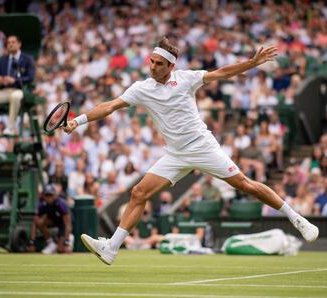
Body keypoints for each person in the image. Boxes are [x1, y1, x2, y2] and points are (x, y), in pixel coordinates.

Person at [64, 37, 319, 265]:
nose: (152, 67)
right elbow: (109, 106)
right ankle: (111, 248)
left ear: (170, 66)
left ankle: (297, 219)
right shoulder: (141, 89)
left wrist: (252, 63)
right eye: (151, 62)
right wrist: (79, 120)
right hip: (175, 154)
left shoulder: (186, 79)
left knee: (245, 185)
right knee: (138, 192)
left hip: (202, 147)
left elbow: (223, 73)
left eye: (159, 64)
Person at [0, 35, 35, 135]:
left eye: (13, 42)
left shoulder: (27, 59)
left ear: (19, 44)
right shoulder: (3, 60)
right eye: (8, 42)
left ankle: (11, 128)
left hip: (19, 90)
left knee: (15, 96)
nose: (10, 44)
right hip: (4, 91)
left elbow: (30, 78)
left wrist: (14, 80)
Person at [30, 185, 72, 254]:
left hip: (62, 224)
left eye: (51, 195)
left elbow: (67, 224)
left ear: (55, 195)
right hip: (52, 221)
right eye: (47, 195)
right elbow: (35, 222)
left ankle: (69, 238)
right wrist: (32, 242)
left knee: (61, 250)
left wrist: (66, 242)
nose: (49, 198)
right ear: (44, 196)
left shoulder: (61, 204)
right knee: (38, 221)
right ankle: (51, 244)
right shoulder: (42, 204)